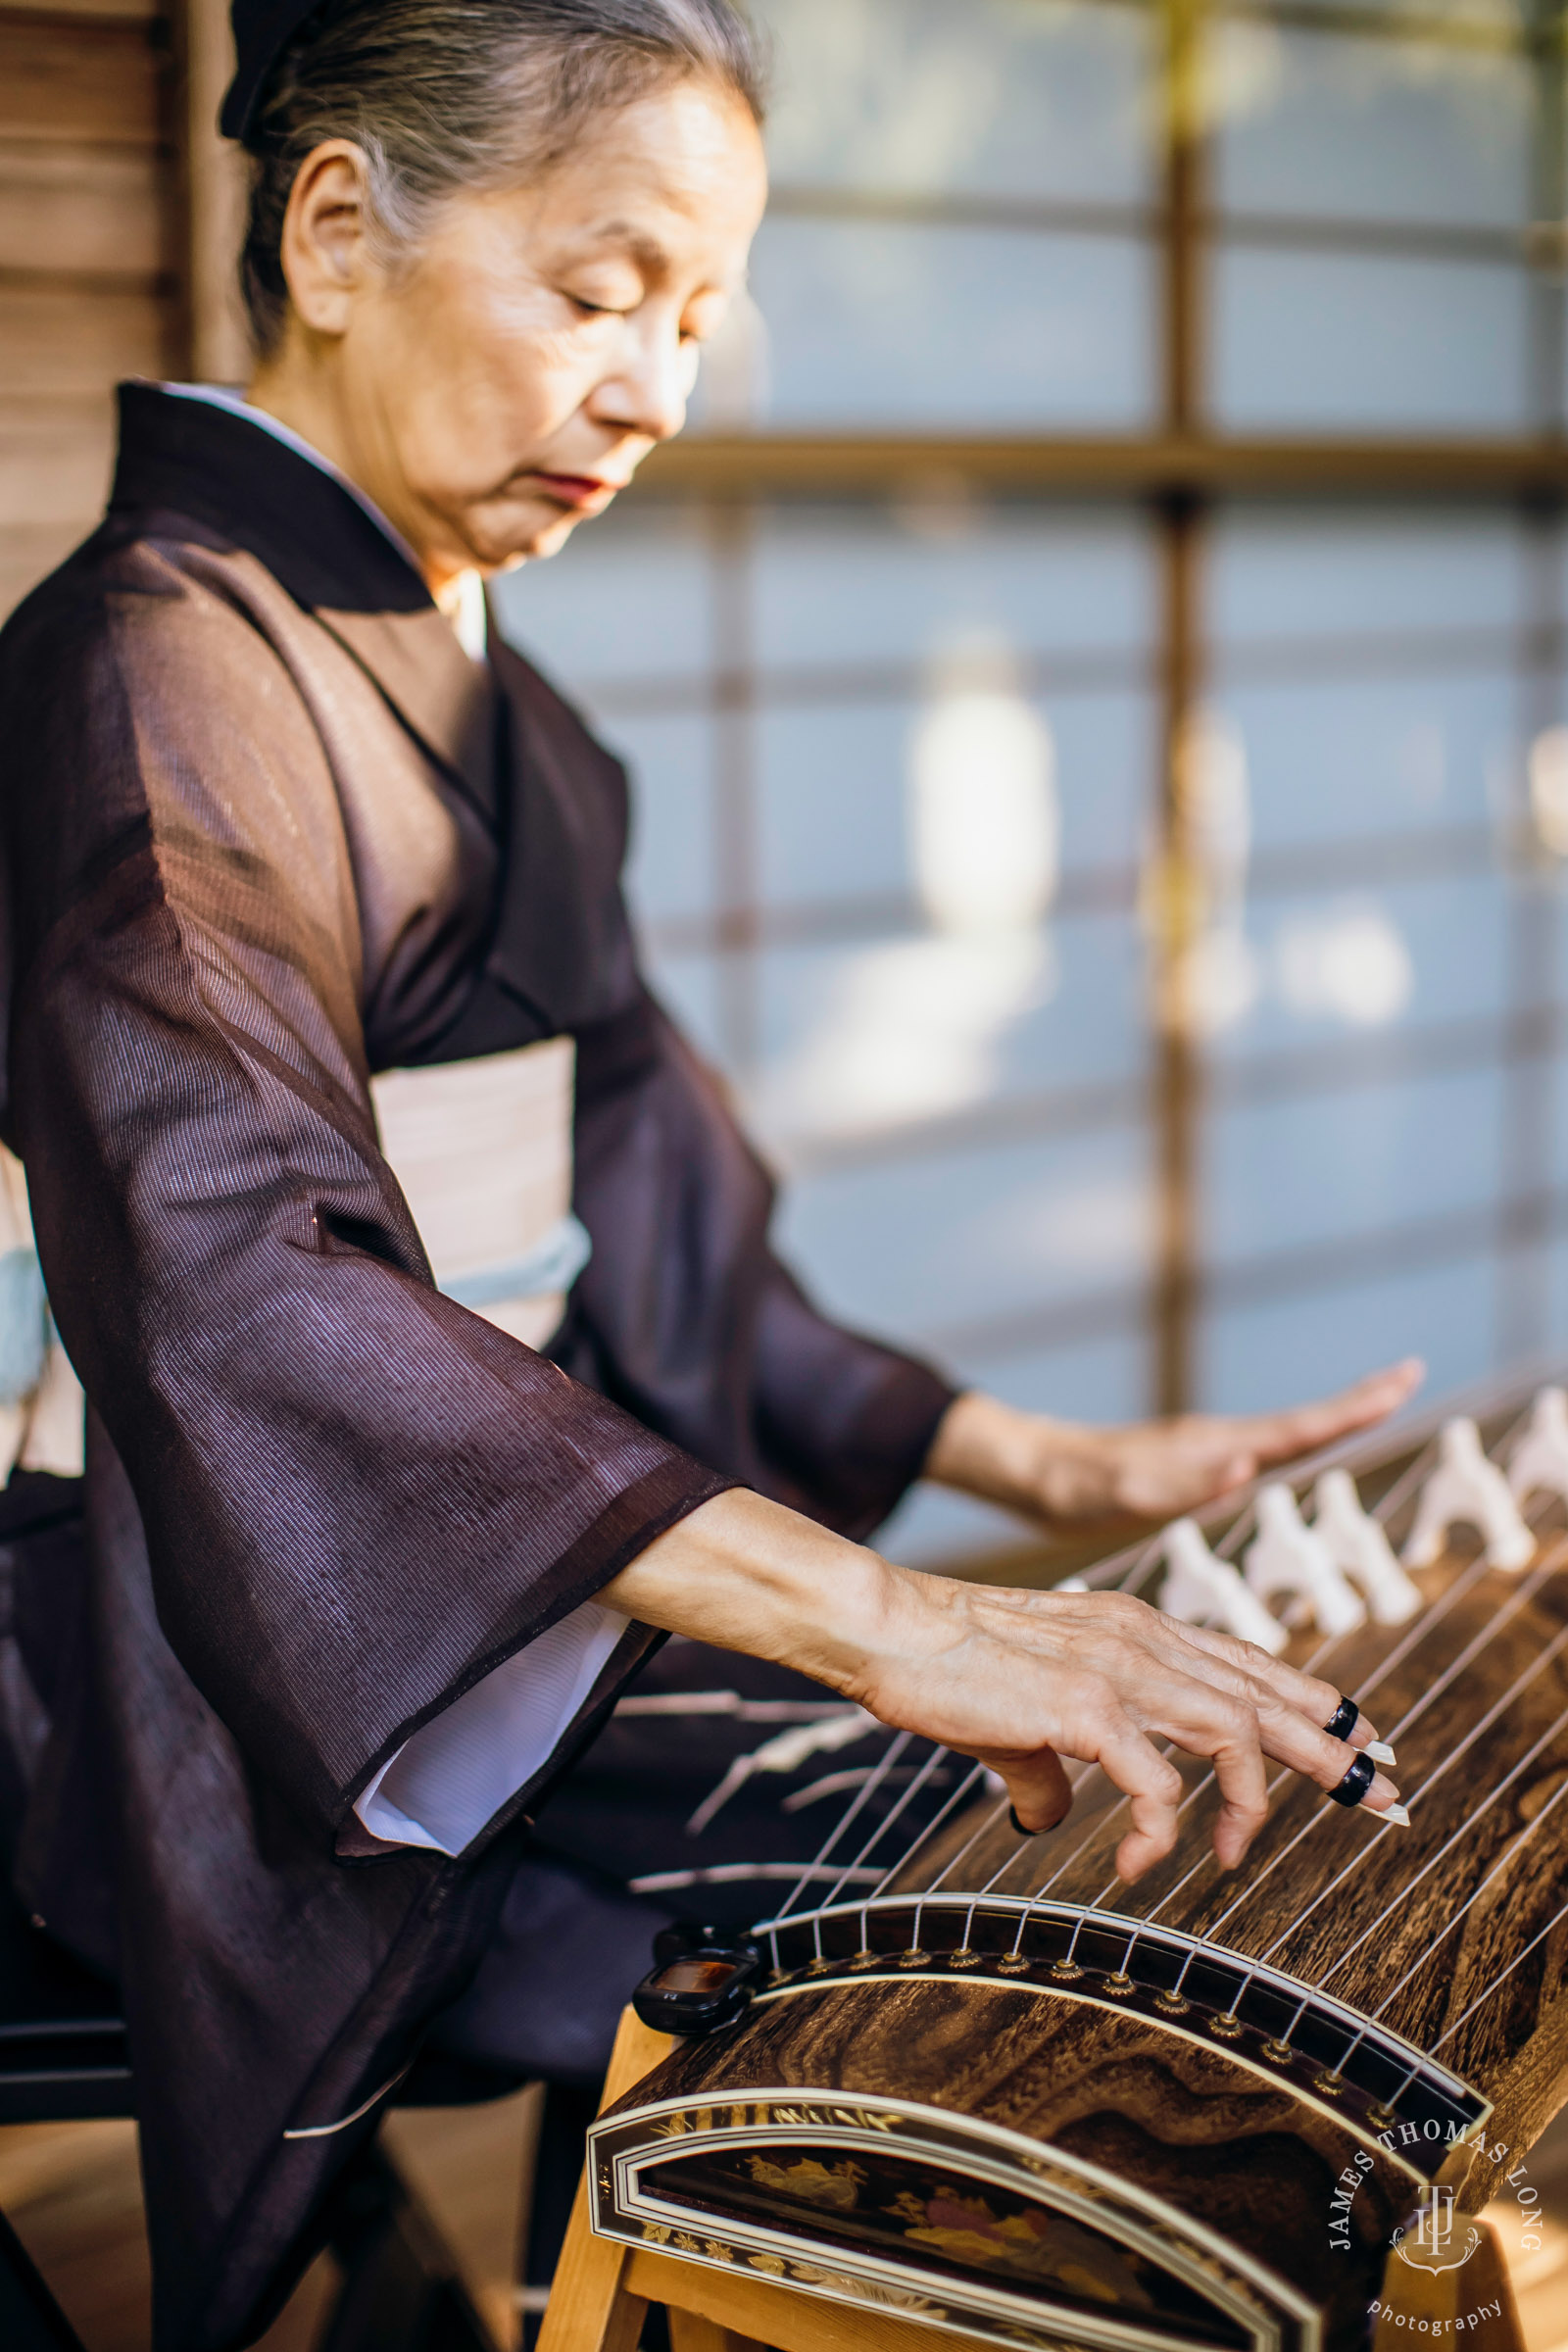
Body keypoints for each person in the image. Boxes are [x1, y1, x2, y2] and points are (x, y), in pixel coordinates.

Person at [0, 1, 1415, 2341]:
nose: (655, 392)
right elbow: (248, 1288)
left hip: (439, 1548)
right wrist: (899, 1615)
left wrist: (1037, 1459)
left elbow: (660, 1208)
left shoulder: (503, 711)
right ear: (338, 229)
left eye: (693, 312)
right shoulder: (162, 672)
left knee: (981, 1843)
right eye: (596, 288)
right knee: (919, 1865)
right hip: (182, 1596)